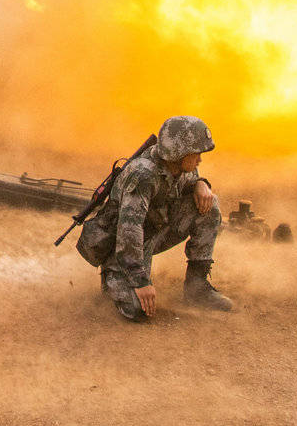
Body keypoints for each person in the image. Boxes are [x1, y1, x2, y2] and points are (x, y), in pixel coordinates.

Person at [76, 115, 235, 322]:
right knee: (138, 310)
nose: (200, 159)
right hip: (121, 246)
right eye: (196, 154)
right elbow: (128, 232)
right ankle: (113, 277)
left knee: (210, 204)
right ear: (180, 153)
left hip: (153, 232)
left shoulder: (178, 165)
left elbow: (188, 181)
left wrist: (201, 183)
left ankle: (197, 287)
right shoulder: (143, 174)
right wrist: (140, 282)